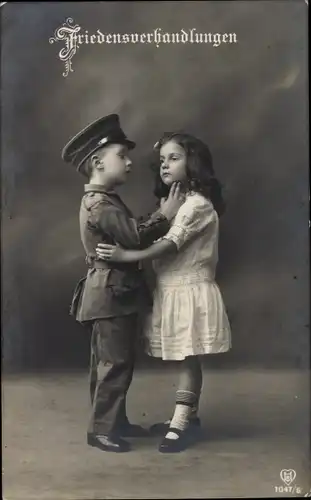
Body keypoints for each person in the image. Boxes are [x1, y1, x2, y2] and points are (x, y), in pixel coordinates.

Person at [96, 131, 232, 453]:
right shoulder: (174, 203)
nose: (165, 165)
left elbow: (168, 244)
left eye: (174, 158)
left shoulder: (197, 205)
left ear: (193, 162)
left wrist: (123, 257)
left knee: (187, 358)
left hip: (189, 289)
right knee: (183, 356)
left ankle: (181, 424)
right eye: (161, 161)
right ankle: (190, 418)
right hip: (171, 288)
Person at [62, 116, 185, 453]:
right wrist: (166, 214)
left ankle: (113, 421)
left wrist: (154, 216)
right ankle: (101, 429)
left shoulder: (105, 200)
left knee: (112, 362)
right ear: (99, 162)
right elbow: (132, 237)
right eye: (122, 155)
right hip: (110, 295)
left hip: (112, 293)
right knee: (112, 364)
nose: (130, 161)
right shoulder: (100, 204)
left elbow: (127, 230)